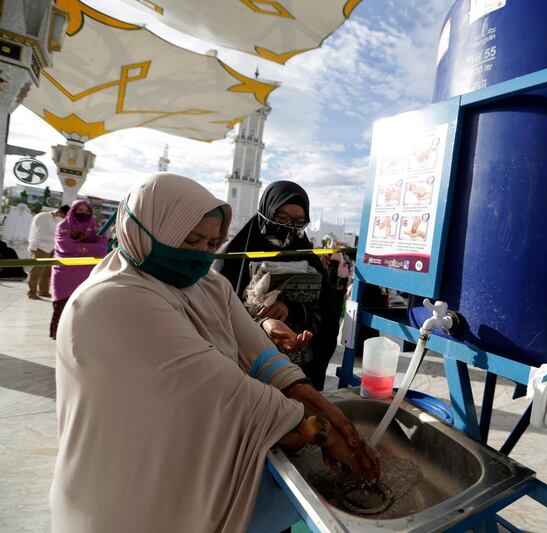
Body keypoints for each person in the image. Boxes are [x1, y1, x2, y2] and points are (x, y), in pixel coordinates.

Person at [51, 173, 378, 533]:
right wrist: (323, 433)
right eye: (189, 240)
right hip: (128, 479)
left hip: (182, 456)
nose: (200, 255)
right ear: (143, 229)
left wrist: (337, 420)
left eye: (211, 243)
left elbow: (264, 360)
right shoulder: (113, 299)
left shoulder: (206, 284)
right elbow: (225, 392)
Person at [216, 181, 343, 390]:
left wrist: (294, 312)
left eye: (298, 222)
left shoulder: (306, 256)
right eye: (281, 218)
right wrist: (260, 323)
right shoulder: (233, 255)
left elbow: (327, 312)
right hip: (246, 369)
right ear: (265, 212)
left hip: (298, 371)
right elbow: (215, 311)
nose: (288, 228)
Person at [50, 200, 108, 340]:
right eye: (80, 210)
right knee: (62, 304)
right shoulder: (63, 225)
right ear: (73, 211)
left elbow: (103, 247)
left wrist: (80, 247)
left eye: (87, 211)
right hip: (64, 272)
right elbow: (65, 247)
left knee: (83, 304)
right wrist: (90, 248)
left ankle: (77, 335)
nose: (84, 214)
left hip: (87, 273)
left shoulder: (95, 226)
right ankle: (58, 334)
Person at [27, 205, 69, 299]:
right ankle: (32, 292)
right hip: (41, 246)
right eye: (63, 216)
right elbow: (39, 232)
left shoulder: (61, 220)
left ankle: (44, 291)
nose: (63, 218)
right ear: (59, 212)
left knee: (48, 271)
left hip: (54, 247)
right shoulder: (42, 216)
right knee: (37, 270)